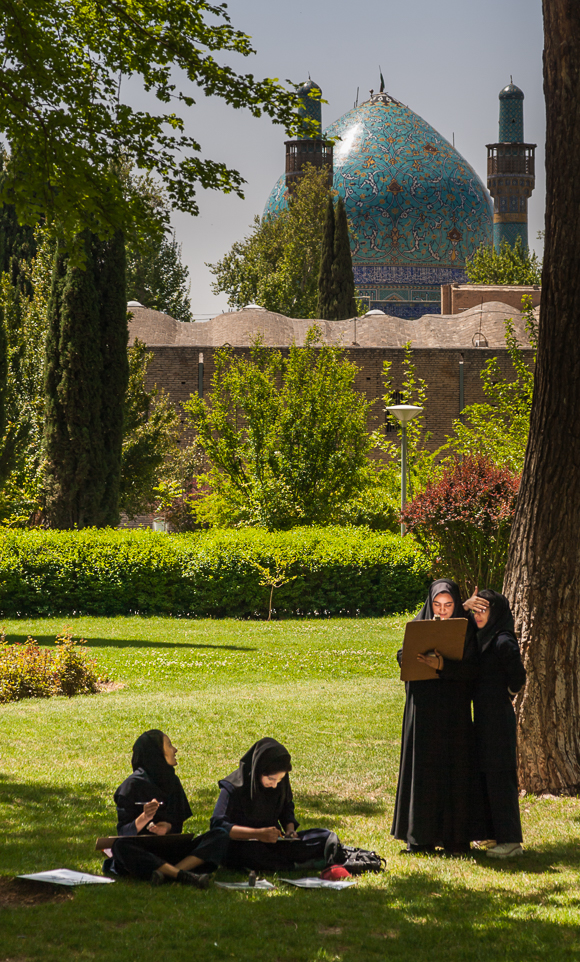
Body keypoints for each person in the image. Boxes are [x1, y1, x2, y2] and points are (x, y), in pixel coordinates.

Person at [391, 579, 490, 854]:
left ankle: (455, 838)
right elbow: (404, 653)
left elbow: (472, 669)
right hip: (423, 712)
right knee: (423, 772)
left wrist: (443, 665)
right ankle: (420, 838)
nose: (442, 610)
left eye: (448, 605)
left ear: (456, 605)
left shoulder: (466, 629)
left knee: (454, 772)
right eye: (437, 605)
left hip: (453, 715)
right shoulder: (419, 623)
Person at [105, 729, 229, 886]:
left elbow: (177, 826)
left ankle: (169, 873)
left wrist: (167, 827)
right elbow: (123, 833)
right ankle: (182, 875)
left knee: (220, 834)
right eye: (169, 745)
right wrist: (144, 818)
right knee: (120, 846)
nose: (174, 750)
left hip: (170, 850)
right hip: (145, 852)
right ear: (155, 752)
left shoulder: (172, 781)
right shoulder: (131, 786)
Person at [210, 738, 341, 871]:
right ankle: (296, 865)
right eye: (271, 779)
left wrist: (290, 830)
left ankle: (298, 861)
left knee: (323, 836)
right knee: (249, 853)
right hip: (245, 843)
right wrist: (258, 834)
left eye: (280, 779)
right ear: (258, 770)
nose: (274, 785)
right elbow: (218, 825)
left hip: (274, 842)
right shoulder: (233, 787)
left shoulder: (279, 784)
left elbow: (286, 806)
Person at [468, 589, 526, 859]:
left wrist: (507, 695)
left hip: (498, 718)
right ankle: (493, 834)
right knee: (487, 774)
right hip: (483, 716)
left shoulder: (503, 640)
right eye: (475, 611)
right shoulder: (482, 637)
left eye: (484, 610)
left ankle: (511, 840)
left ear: (496, 612)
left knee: (501, 775)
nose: (478, 616)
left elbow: (518, 678)